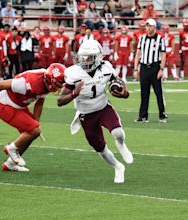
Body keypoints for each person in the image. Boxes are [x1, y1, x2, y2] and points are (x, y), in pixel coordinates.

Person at [57, 40, 133, 183]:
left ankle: (121, 144)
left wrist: (123, 93)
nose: (85, 60)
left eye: (90, 57)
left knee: (118, 133)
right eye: (83, 57)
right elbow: (60, 101)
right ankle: (118, 167)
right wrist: (74, 94)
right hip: (86, 113)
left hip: (103, 107)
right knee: (100, 148)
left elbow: (120, 86)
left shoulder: (106, 68)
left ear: (98, 57)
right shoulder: (74, 73)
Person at [0, 63, 66, 172]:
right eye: (58, 84)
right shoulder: (27, 83)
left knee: (32, 133)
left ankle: (10, 164)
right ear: (51, 80)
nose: (59, 87)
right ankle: (11, 148)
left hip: (19, 105)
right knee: (34, 131)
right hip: (5, 105)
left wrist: (35, 122)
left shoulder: (45, 81)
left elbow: (39, 102)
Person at [133, 19, 167, 123]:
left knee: (158, 92)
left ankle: (162, 115)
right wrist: (135, 69)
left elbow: (163, 54)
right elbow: (138, 54)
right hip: (144, 67)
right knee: (144, 93)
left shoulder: (160, 38)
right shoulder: (142, 38)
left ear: (154, 27)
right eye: (147, 26)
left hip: (155, 67)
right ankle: (143, 116)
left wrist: (161, 69)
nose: (148, 28)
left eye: (150, 26)